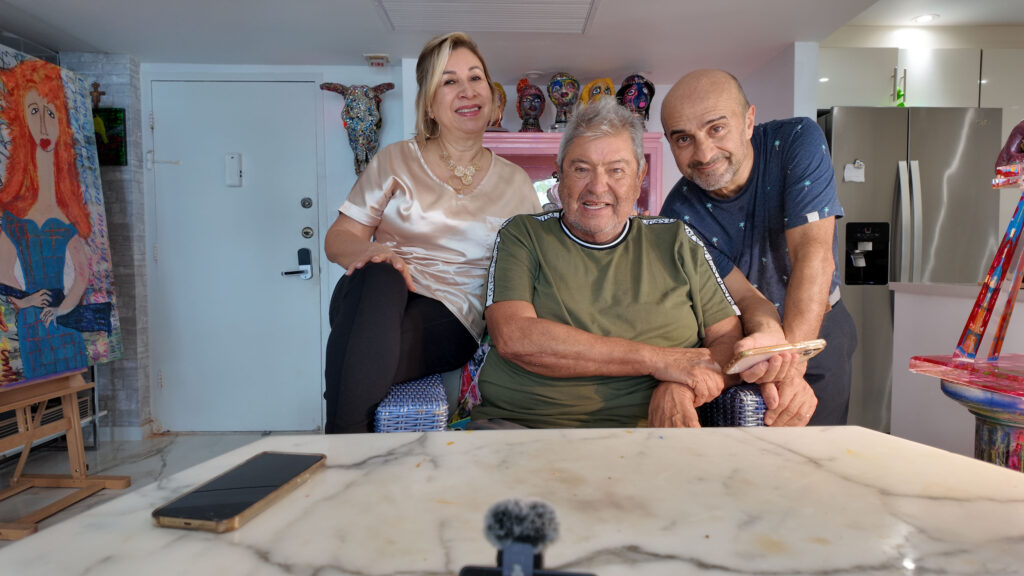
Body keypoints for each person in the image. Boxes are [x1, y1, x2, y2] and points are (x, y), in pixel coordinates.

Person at [472, 97, 810, 429]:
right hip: (524, 428)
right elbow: (516, 337)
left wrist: (678, 386)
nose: (597, 187)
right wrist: (659, 361)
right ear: (560, 174)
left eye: (616, 170)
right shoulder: (522, 235)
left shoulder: (678, 240)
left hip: (652, 434)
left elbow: (726, 340)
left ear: (640, 176)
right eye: (581, 169)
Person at [323, 32, 542, 434]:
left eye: (476, 78)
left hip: (453, 318)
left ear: (491, 95)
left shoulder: (517, 184)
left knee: (357, 358)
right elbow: (338, 237)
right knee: (380, 274)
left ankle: (338, 447)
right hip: (372, 294)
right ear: (429, 102)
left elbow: (538, 267)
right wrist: (374, 254)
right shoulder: (394, 160)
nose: (467, 91)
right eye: (449, 80)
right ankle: (346, 455)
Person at [659, 69, 857, 425]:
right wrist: (770, 343)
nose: (704, 153)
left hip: (818, 327)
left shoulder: (797, 140)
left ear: (749, 120)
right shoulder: (677, 216)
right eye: (683, 139)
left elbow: (813, 255)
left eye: (716, 128)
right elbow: (746, 295)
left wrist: (789, 365)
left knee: (821, 461)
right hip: (741, 343)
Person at [0, 59, 108, 381]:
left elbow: (82, 276)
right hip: (32, 328)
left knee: (71, 379)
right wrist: (26, 300)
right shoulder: (12, 212)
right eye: (34, 111)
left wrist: (62, 309)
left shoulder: (69, 210)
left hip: (64, 325)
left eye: (51, 113)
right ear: (20, 118)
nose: (45, 128)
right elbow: (4, 275)